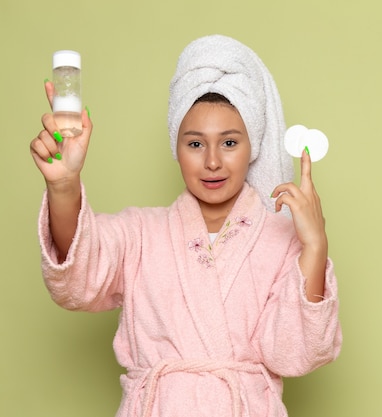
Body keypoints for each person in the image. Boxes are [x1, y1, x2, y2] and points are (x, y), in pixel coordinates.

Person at [30, 34, 342, 417]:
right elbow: (78, 279)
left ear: (253, 146)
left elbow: (296, 353)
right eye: (195, 144)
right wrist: (63, 187)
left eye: (229, 143)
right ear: (176, 148)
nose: (212, 162)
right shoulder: (141, 234)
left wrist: (315, 246)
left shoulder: (280, 242)